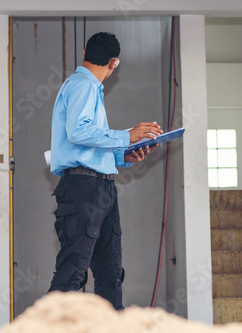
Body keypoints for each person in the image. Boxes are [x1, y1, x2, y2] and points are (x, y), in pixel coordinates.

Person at [47, 32, 162, 310]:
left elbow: (88, 144)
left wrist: (124, 155)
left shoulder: (88, 87)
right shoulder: (83, 84)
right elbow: (78, 132)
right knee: (72, 273)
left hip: (99, 187)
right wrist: (128, 135)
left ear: (85, 51)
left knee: (110, 274)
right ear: (114, 63)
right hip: (83, 189)